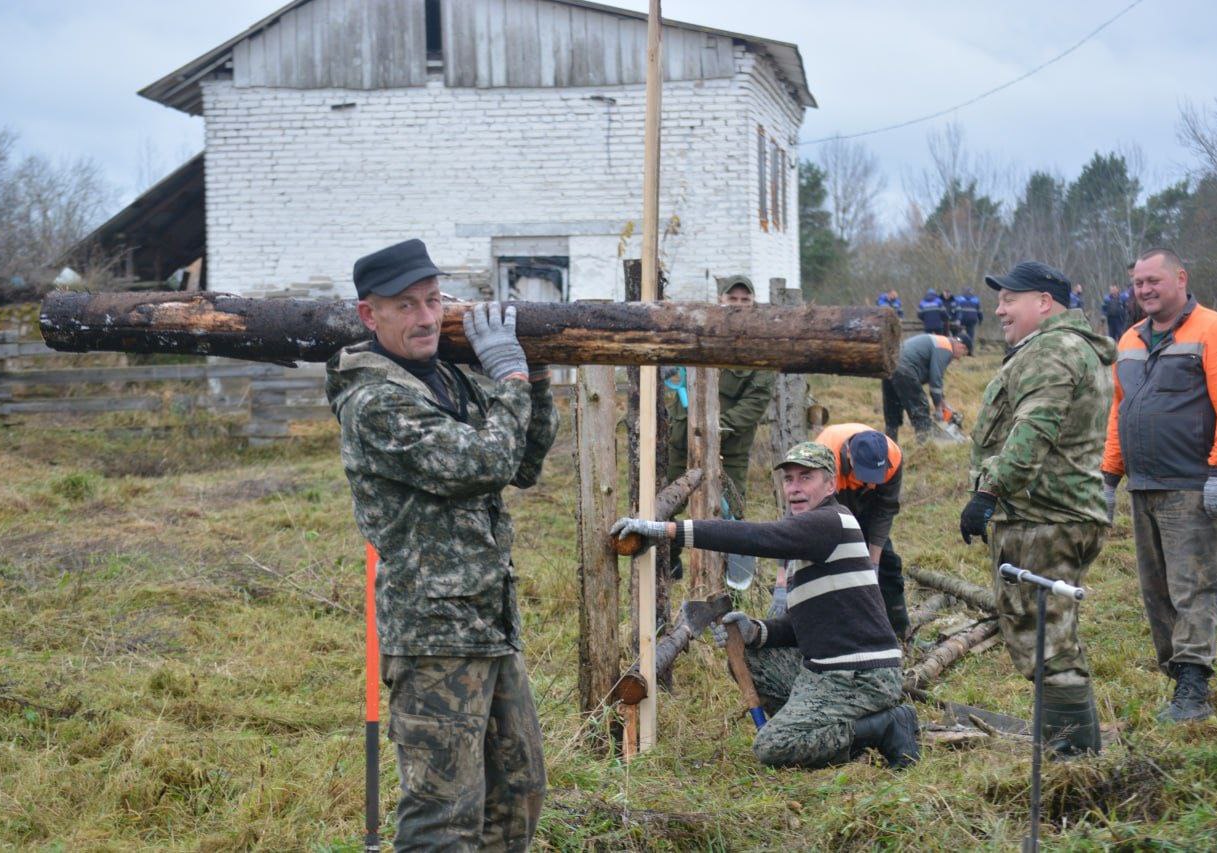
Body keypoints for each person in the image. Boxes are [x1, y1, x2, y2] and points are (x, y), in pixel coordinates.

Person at [326, 238, 559, 850]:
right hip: (431, 633)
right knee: (442, 817)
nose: (427, 317)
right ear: (369, 316)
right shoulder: (374, 401)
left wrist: (532, 373)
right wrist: (508, 377)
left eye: (433, 300)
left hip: (486, 619)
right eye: (405, 305)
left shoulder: (451, 380)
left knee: (518, 792)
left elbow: (525, 461)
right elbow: (482, 461)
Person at [611, 442, 920, 770]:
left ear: (830, 484)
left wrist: (668, 530)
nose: (795, 488)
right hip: (831, 673)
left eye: (806, 478)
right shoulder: (812, 542)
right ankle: (825, 728)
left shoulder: (830, 522)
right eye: (788, 479)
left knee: (772, 746)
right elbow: (803, 626)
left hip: (860, 675)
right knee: (752, 656)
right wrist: (755, 631)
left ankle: (884, 726)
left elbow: (757, 536)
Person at [960, 260, 1114, 756]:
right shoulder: (1063, 348)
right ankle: (1073, 752)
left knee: (1046, 644)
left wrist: (988, 493)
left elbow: (1032, 432)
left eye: (1009, 299)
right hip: (1051, 514)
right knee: (1049, 638)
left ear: (1043, 303)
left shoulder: (1051, 352)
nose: (998, 309)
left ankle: (1070, 765)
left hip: (1045, 518)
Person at [1102, 248, 1217, 723]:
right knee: (1157, 593)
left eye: (1154, 280)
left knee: (1194, 588)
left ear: (1180, 278)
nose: (1144, 290)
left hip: (1191, 485)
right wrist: (1109, 477)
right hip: (1143, 485)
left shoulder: (1216, 332)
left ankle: (1194, 687)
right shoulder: (1129, 339)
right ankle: (1181, 680)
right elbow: (1120, 411)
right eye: (1137, 283)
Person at [666, 275, 775, 513]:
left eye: (744, 299)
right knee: (667, 507)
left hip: (730, 447)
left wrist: (714, 429)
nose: (738, 304)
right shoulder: (699, 334)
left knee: (729, 513)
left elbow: (755, 402)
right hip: (682, 441)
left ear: (753, 303)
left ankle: (732, 551)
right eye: (732, 298)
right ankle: (665, 550)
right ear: (720, 300)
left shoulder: (762, 348)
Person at [814, 424, 910, 640]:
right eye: (866, 474)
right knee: (834, 566)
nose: (870, 481)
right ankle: (838, 634)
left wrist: (873, 564)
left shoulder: (893, 457)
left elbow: (885, 510)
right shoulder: (825, 462)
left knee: (888, 564)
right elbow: (806, 512)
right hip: (829, 505)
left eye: (876, 475)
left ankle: (901, 633)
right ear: (850, 455)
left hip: (868, 504)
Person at [881, 332, 970, 443]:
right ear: (962, 346)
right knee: (920, 410)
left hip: (889, 365)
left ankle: (890, 445)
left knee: (892, 411)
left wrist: (943, 403)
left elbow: (934, 379)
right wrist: (938, 409)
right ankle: (924, 447)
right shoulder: (945, 347)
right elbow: (936, 378)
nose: (959, 358)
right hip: (905, 369)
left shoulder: (938, 342)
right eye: (963, 354)